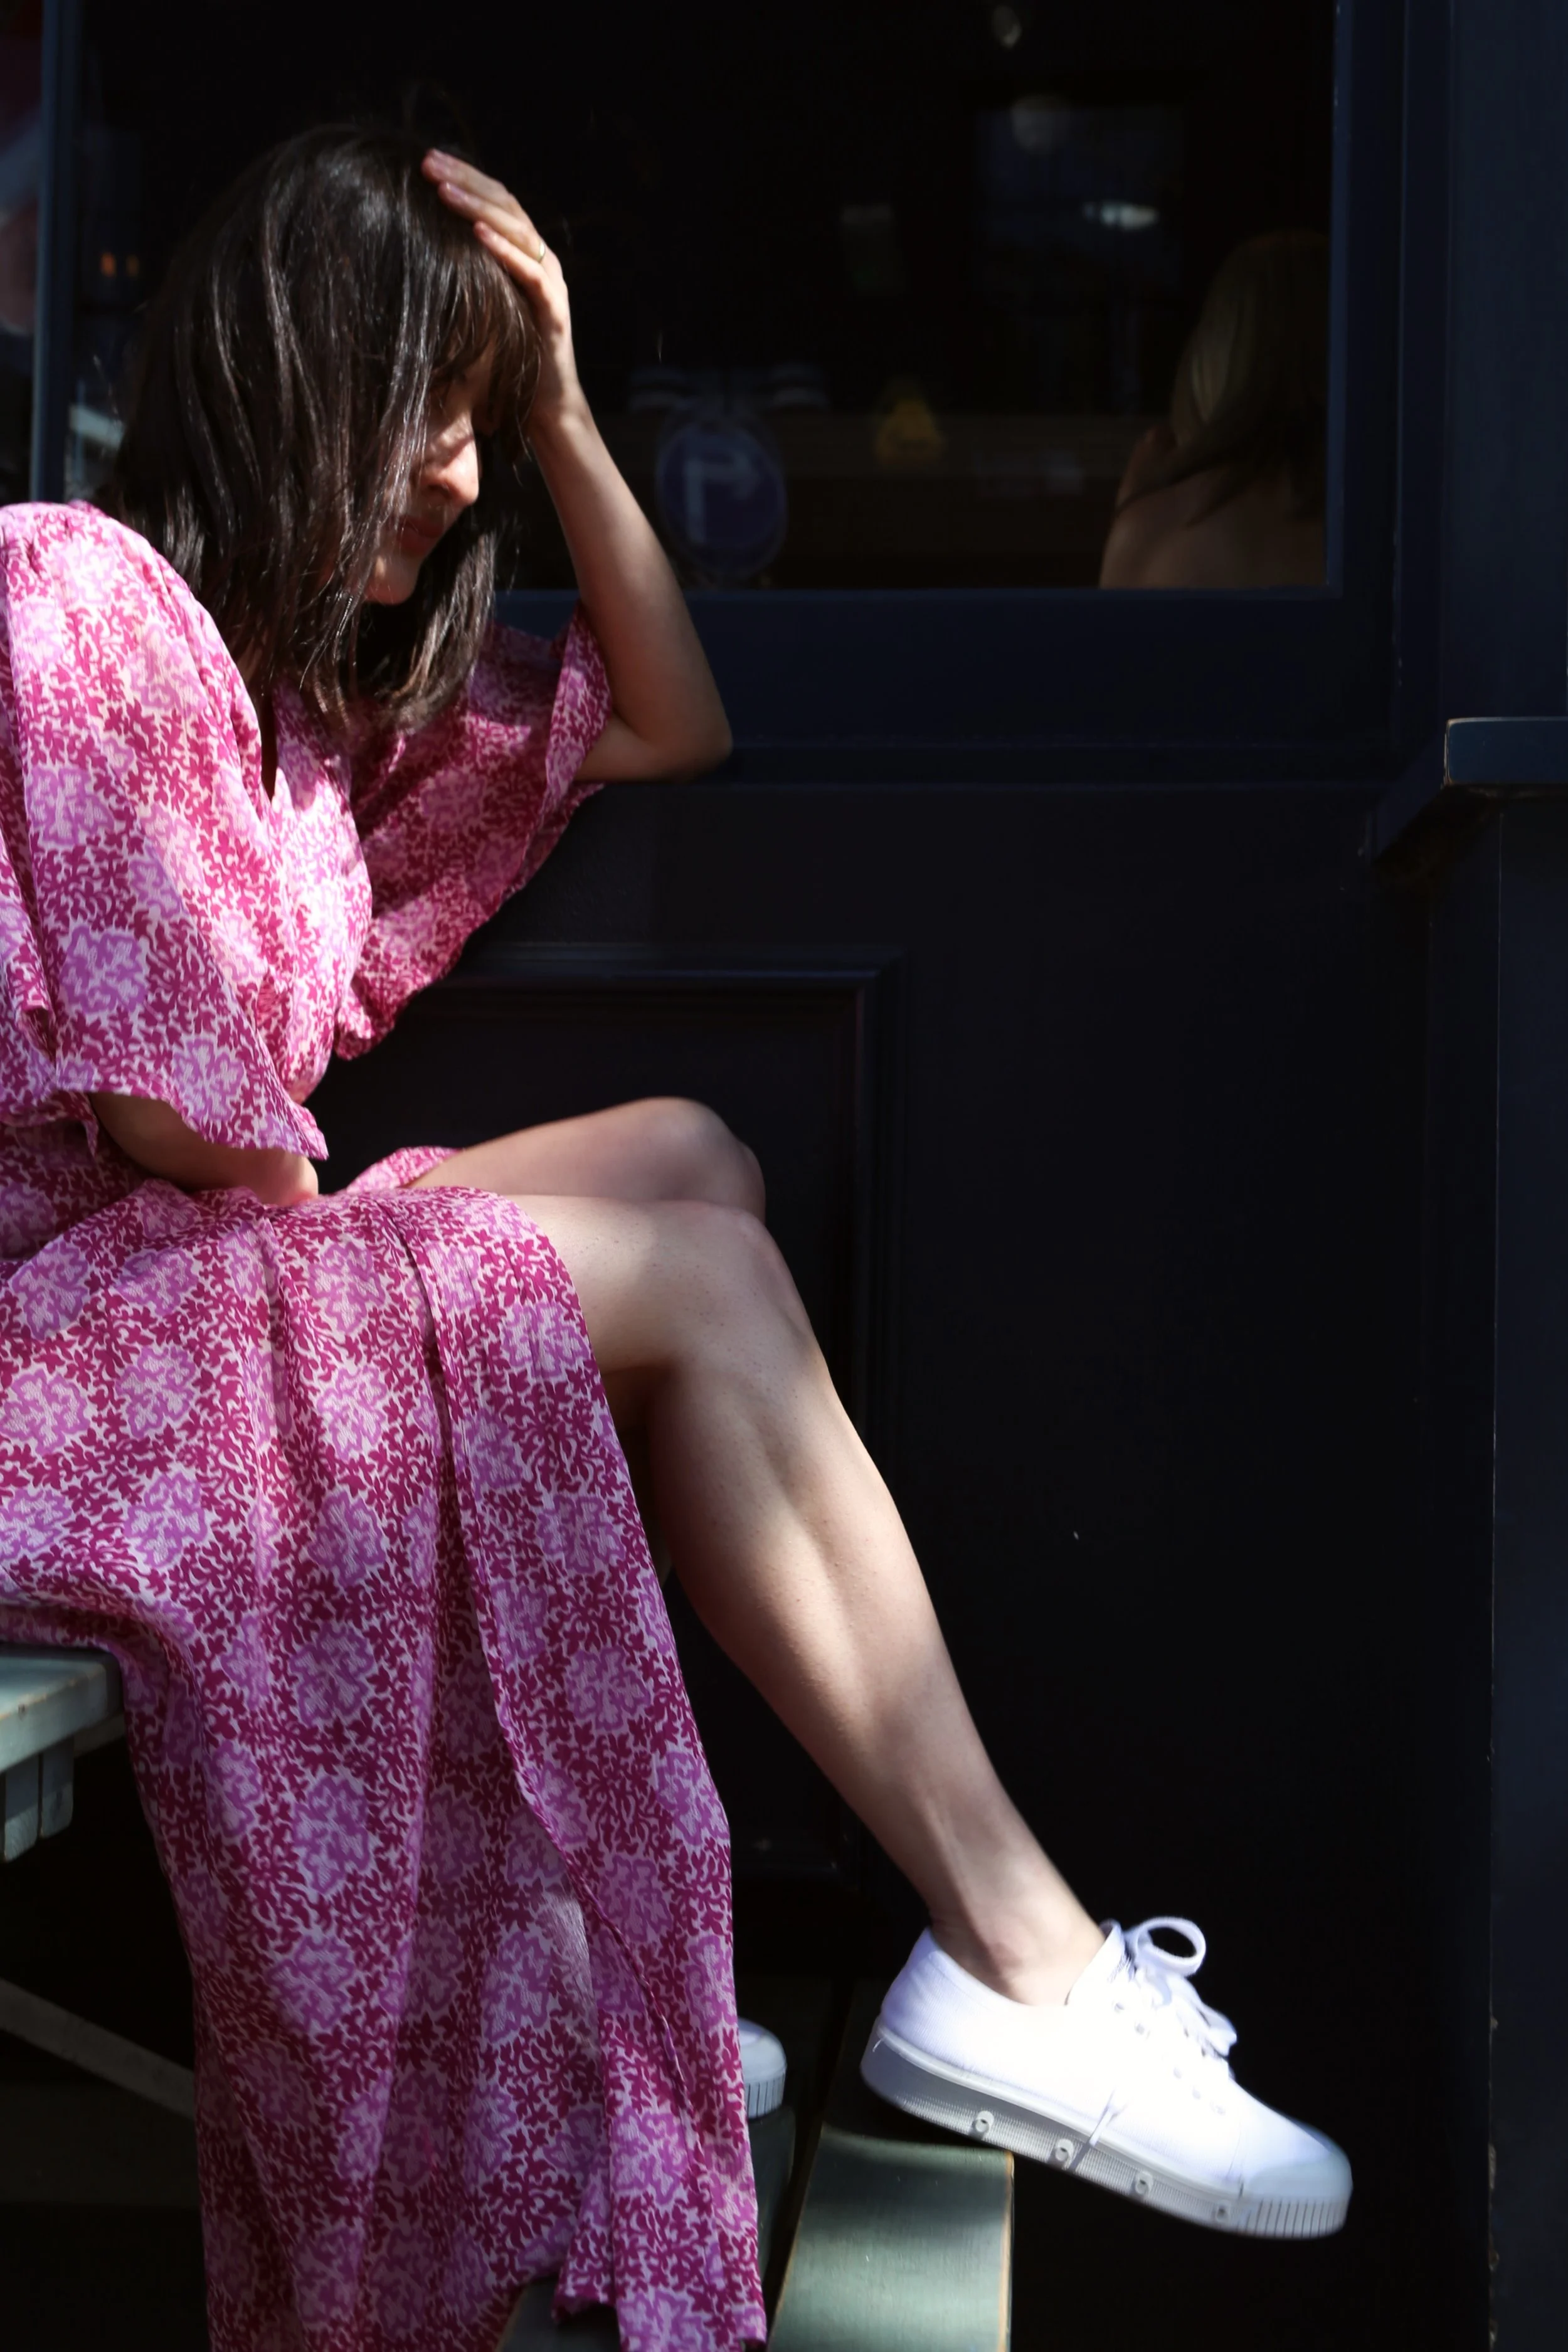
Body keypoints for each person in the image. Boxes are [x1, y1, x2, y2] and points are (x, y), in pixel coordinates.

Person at [0, 131, 1348, 2352]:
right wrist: (366, 1244)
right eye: (430, 409)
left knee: (692, 1166)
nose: (453, 483)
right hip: (60, 1344)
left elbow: (673, 714)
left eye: (475, 425)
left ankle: (590, 1989)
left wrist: (561, 403)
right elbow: (167, 1113)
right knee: (690, 1281)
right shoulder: (67, 588)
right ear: (299, 371)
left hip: (171, 1300)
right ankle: (1018, 1961)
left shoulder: (313, 745)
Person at [1099, 230, 1328, 590]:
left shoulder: (1158, 531)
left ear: (1215, 354)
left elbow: (1114, 644)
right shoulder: (1393, 526)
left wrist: (1136, 508)